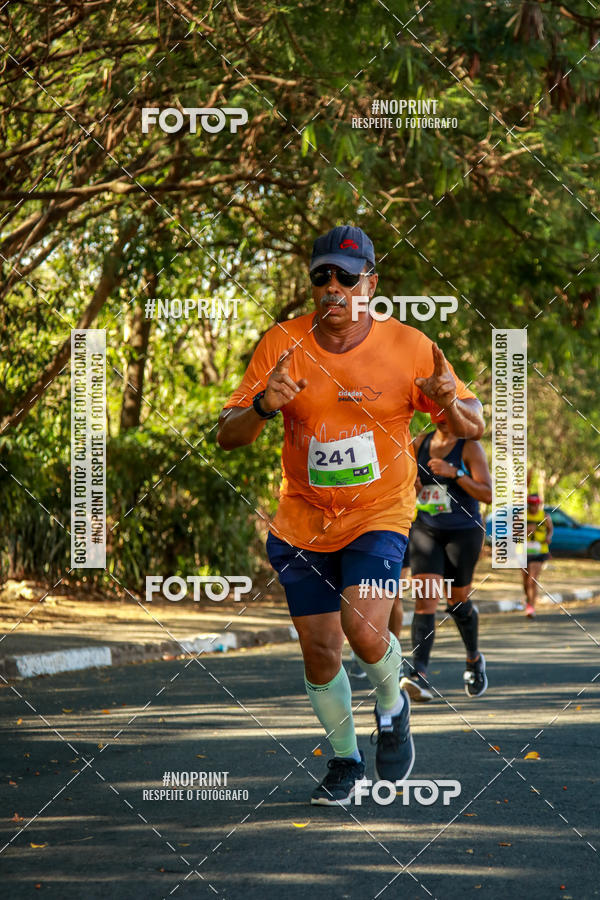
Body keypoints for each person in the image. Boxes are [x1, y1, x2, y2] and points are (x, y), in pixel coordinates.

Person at [217, 224, 485, 805]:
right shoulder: (281, 344)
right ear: (312, 283)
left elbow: (474, 424)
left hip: (379, 513)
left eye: (346, 276)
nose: (333, 286)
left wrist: (447, 400)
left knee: (364, 630)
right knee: (320, 650)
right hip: (303, 521)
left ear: (371, 284)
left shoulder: (409, 347)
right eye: (322, 276)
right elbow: (226, 434)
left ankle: (392, 705)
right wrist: (263, 405)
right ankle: (345, 760)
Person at [400, 416, 492, 701]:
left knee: (457, 602)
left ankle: (474, 659)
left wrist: (455, 473)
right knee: (425, 600)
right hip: (426, 531)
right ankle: (419, 674)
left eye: (446, 410)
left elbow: (488, 494)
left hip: (462, 533)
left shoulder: (469, 447)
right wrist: (413, 487)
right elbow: (405, 487)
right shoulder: (420, 443)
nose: (441, 416)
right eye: (435, 410)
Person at [521, 494, 553, 618]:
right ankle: (528, 599)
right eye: (530, 504)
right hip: (523, 551)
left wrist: (548, 537)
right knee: (525, 581)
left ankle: (531, 607)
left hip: (539, 551)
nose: (533, 507)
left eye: (535, 505)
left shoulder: (545, 516)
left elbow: (550, 529)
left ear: (539, 504)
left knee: (532, 580)